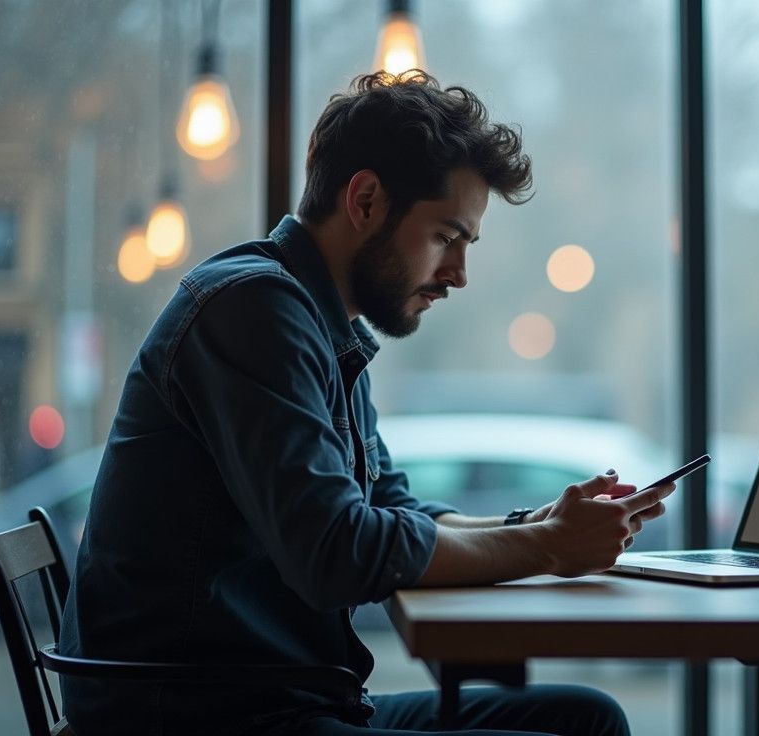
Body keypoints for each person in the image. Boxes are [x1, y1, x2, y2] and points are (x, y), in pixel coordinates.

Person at [59, 71, 672, 736]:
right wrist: (545, 547)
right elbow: (337, 552)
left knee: (586, 718)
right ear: (367, 200)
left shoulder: (323, 326)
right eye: (446, 236)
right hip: (196, 714)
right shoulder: (255, 310)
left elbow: (391, 511)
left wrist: (534, 524)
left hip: (266, 697)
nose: (459, 274)